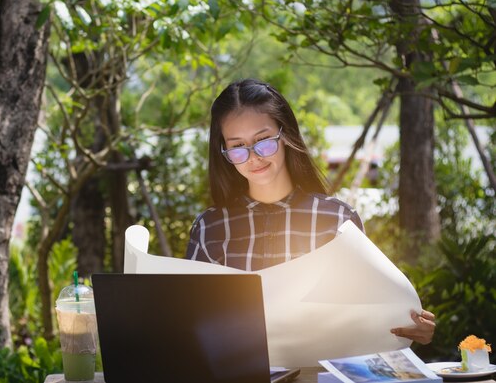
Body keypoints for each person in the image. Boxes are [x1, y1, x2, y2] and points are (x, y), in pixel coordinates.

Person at [185, 78, 435, 345]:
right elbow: (191, 324)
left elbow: (367, 314)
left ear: (286, 135)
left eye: (264, 141)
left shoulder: (338, 221)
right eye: (237, 147)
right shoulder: (209, 228)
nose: (254, 156)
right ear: (223, 150)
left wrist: (407, 323)